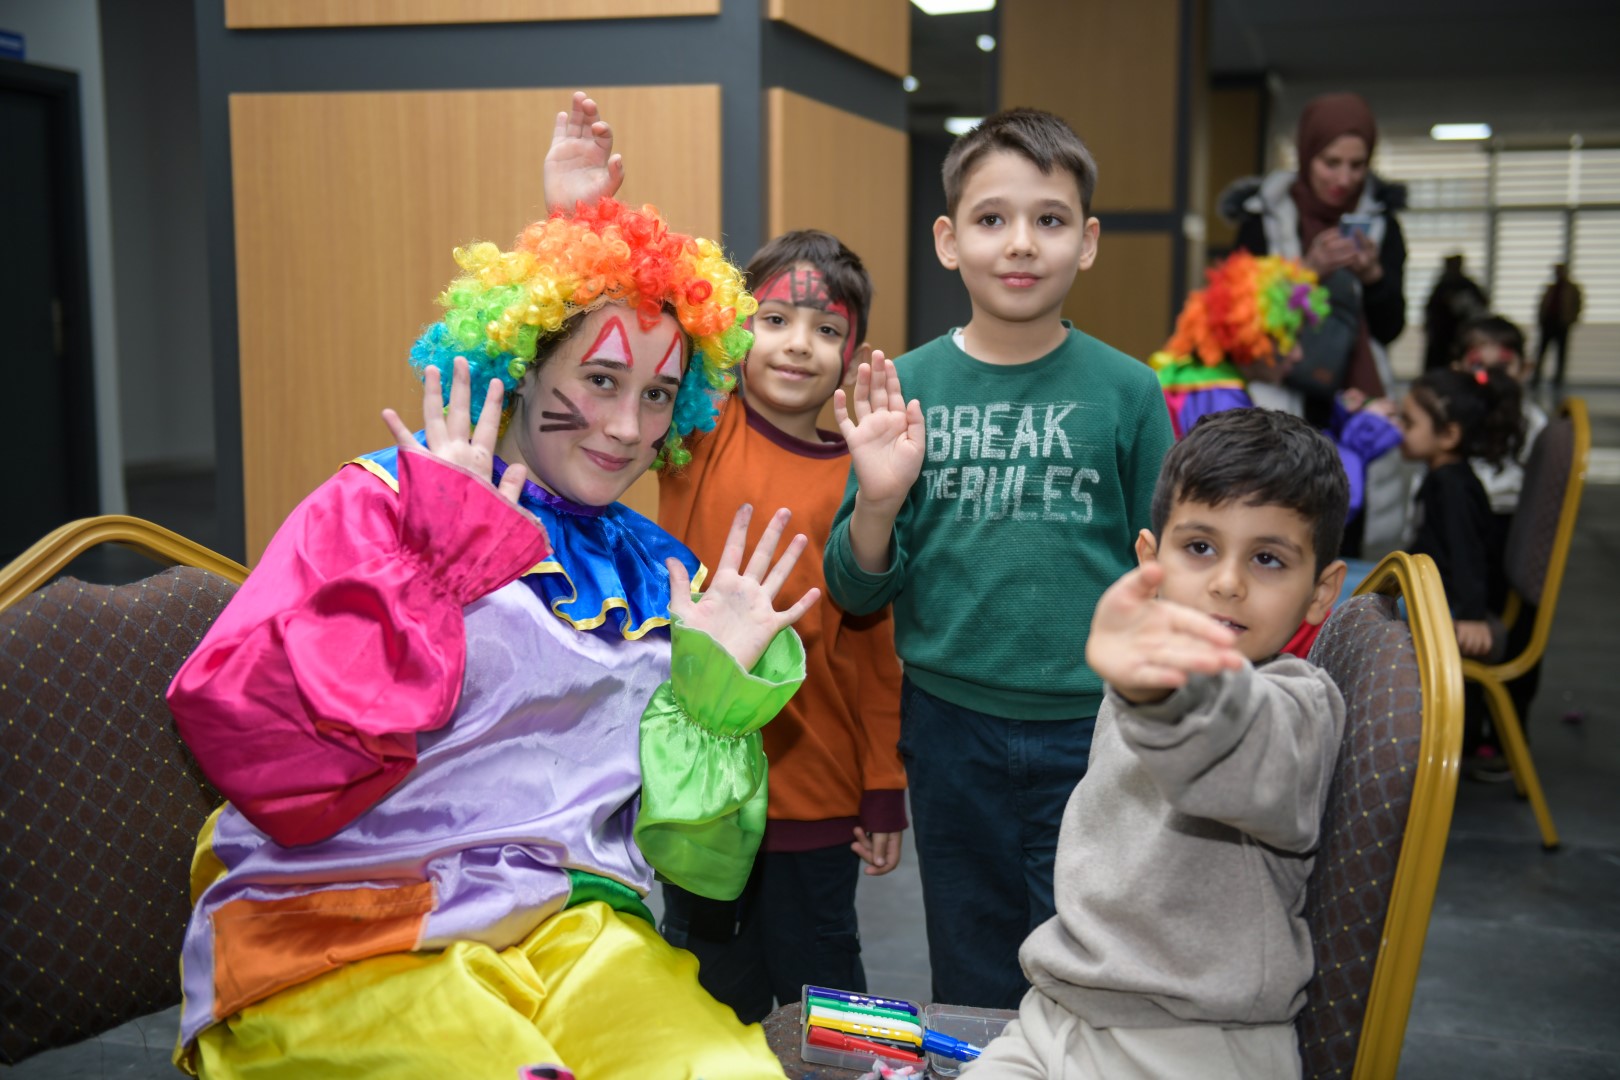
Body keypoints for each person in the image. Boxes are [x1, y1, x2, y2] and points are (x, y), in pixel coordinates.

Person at [165, 198, 821, 1079]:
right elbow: (258, 742)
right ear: (519, 364)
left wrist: (715, 696)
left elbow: (698, 868)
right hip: (345, 925)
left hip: (571, 927)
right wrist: (428, 567)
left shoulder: (659, 574)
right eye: (600, 380)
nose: (628, 428)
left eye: (658, 394)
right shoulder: (382, 500)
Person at [540, 92, 908, 1022]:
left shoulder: (864, 476)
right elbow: (613, 325)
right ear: (735, 330)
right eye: (779, 321)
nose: (800, 344)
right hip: (695, 786)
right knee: (706, 989)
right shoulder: (698, 428)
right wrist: (578, 217)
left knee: (830, 999)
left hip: (813, 791)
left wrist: (881, 788)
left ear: (853, 354)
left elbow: (869, 648)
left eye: (828, 331)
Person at [823, 107, 1175, 1009]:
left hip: (1094, 729)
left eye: (1050, 220)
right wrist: (878, 496)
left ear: (1087, 242)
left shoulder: (1130, 392)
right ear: (948, 240)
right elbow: (855, 588)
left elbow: (1162, 571)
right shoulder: (909, 386)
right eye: (991, 219)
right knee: (972, 958)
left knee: (1093, 956)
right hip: (950, 729)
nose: (1021, 244)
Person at [968, 407, 1349, 1079]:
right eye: (1200, 547)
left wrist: (1164, 696)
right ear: (1149, 559)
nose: (1227, 582)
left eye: (1267, 558)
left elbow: (1233, 738)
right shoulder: (1141, 674)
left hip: (1200, 1044)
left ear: (1321, 592)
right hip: (1061, 1013)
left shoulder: (1298, 705)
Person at [1220, 92, 1407, 424]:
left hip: (1357, 403)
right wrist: (1307, 271)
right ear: (1306, 156)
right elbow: (1238, 319)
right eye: (1331, 162)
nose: (1344, 179)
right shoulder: (1263, 220)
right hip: (1278, 396)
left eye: (1357, 165)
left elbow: (1391, 328)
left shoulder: (1383, 226)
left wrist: (1373, 277)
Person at [1396, 367, 1526, 662]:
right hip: (1425, 589)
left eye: (1409, 422)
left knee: (1339, 598)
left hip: (1442, 603)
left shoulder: (1454, 488)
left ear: (1449, 435)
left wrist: (1472, 616)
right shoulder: (1442, 477)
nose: (1398, 429)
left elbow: (1468, 553)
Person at [1423, 253, 1488, 372]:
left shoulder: (1467, 285)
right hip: (1441, 337)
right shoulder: (1442, 286)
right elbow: (1430, 309)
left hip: (1460, 335)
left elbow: (1483, 303)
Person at [1533, 263, 1584, 390]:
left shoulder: (1572, 289)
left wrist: (1570, 320)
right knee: (1541, 351)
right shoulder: (1551, 288)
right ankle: (1536, 377)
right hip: (1548, 323)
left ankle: (1558, 380)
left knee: (1560, 353)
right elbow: (1543, 305)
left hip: (1562, 324)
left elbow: (1577, 306)